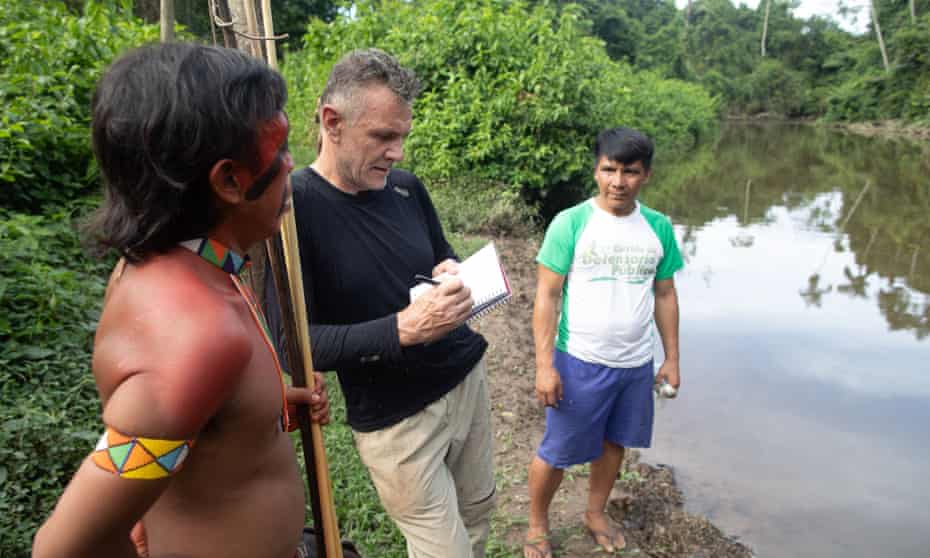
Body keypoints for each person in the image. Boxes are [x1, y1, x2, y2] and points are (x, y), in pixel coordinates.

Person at [31, 42, 330, 558]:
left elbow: (183, 430)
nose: (292, 163)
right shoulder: (197, 340)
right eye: (278, 151)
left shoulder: (195, 262)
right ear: (229, 180)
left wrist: (264, 410)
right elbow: (64, 549)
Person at [265, 48, 496, 558]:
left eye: (402, 137)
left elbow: (441, 255)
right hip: (398, 422)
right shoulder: (292, 209)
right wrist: (402, 330)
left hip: (465, 382)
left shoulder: (407, 190)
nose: (398, 154)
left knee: (477, 516)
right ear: (332, 122)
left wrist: (451, 272)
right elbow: (291, 344)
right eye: (384, 137)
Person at [523, 127, 683, 558]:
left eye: (629, 171)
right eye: (608, 169)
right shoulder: (571, 223)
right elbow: (547, 295)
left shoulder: (658, 228)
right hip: (580, 361)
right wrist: (544, 366)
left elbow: (665, 294)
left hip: (634, 365)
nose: (617, 181)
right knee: (557, 450)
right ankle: (537, 524)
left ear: (645, 174)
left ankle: (595, 512)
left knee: (615, 443)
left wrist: (671, 358)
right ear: (596, 170)